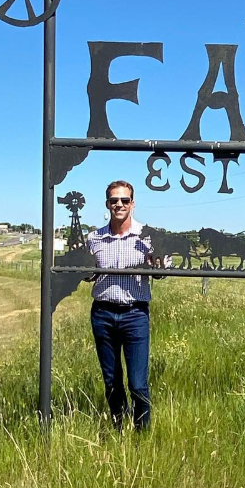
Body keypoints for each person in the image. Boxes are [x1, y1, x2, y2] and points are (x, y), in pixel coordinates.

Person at [86, 180, 164, 431]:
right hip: (103, 314)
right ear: (107, 204)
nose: (119, 204)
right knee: (111, 381)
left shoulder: (149, 236)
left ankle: (142, 435)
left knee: (138, 383)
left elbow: (163, 270)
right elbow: (86, 272)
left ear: (133, 203)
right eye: (114, 200)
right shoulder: (94, 238)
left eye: (124, 200)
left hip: (135, 314)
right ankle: (117, 427)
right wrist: (84, 273)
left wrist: (159, 265)